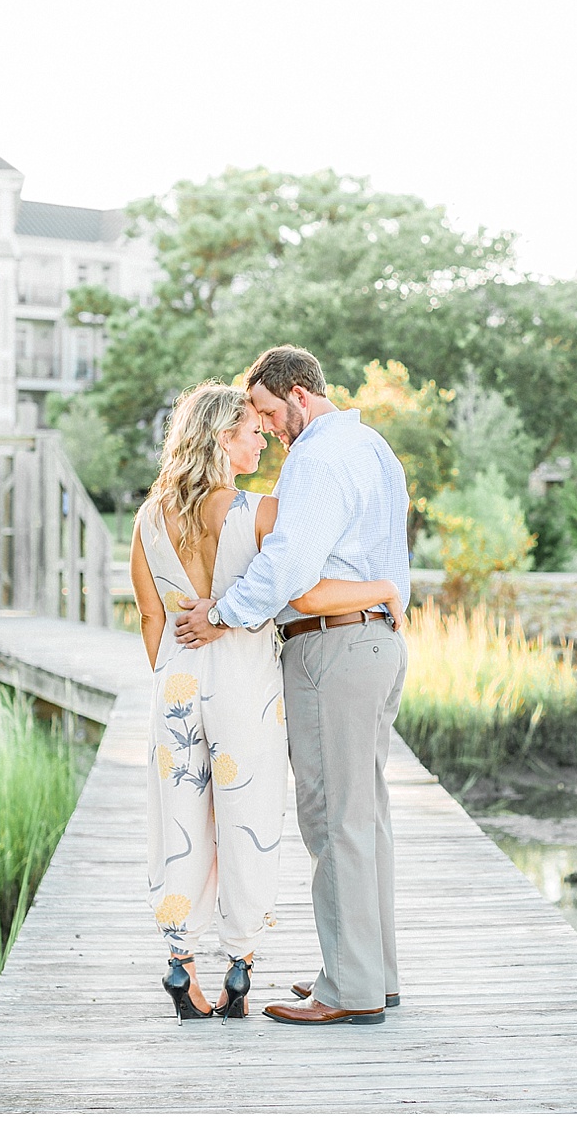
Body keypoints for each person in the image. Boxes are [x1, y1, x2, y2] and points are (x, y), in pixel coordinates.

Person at [132, 381, 400, 1022]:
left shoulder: (148, 518)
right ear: (224, 439)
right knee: (246, 821)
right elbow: (301, 584)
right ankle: (240, 966)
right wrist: (383, 588)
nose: (262, 438)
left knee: (179, 822)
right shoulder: (259, 511)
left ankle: (180, 961)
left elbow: (149, 615)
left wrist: (177, 673)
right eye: (251, 430)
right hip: (244, 687)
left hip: (176, 682)